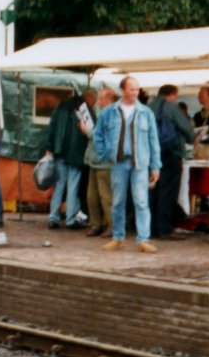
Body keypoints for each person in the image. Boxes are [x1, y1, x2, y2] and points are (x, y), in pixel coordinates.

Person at [93, 75, 162, 253]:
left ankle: (143, 239)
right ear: (122, 90)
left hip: (140, 163)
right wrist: (105, 154)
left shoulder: (146, 112)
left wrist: (155, 166)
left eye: (137, 89)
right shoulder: (108, 112)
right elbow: (98, 135)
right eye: (131, 89)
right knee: (118, 202)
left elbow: (154, 141)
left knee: (141, 201)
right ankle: (118, 238)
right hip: (118, 162)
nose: (135, 92)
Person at [148, 84, 195, 238]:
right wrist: (192, 137)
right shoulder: (171, 107)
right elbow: (187, 129)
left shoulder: (147, 107)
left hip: (150, 155)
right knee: (168, 192)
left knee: (153, 191)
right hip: (170, 153)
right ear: (172, 94)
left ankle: (151, 228)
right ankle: (165, 228)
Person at [44, 90, 94, 229]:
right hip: (77, 153)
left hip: (60, 151)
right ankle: (70, 220)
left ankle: (53, 218)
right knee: (73, 186)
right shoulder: (84, 109)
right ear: (89, 99)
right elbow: (90, 130)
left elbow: (51, 128)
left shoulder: (60, 107)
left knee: (59, 185)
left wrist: (49, 147)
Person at [83, 87, 117, 237]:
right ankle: (96, 224)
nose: (98, 101)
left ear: (109, 99)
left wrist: (87, 131)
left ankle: (112, 226)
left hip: (104, 161)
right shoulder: (105, 113)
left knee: (106, 196)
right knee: (92, 196)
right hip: (95, 160)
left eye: (101, 99)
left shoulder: (111, 114)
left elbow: (102, 135)